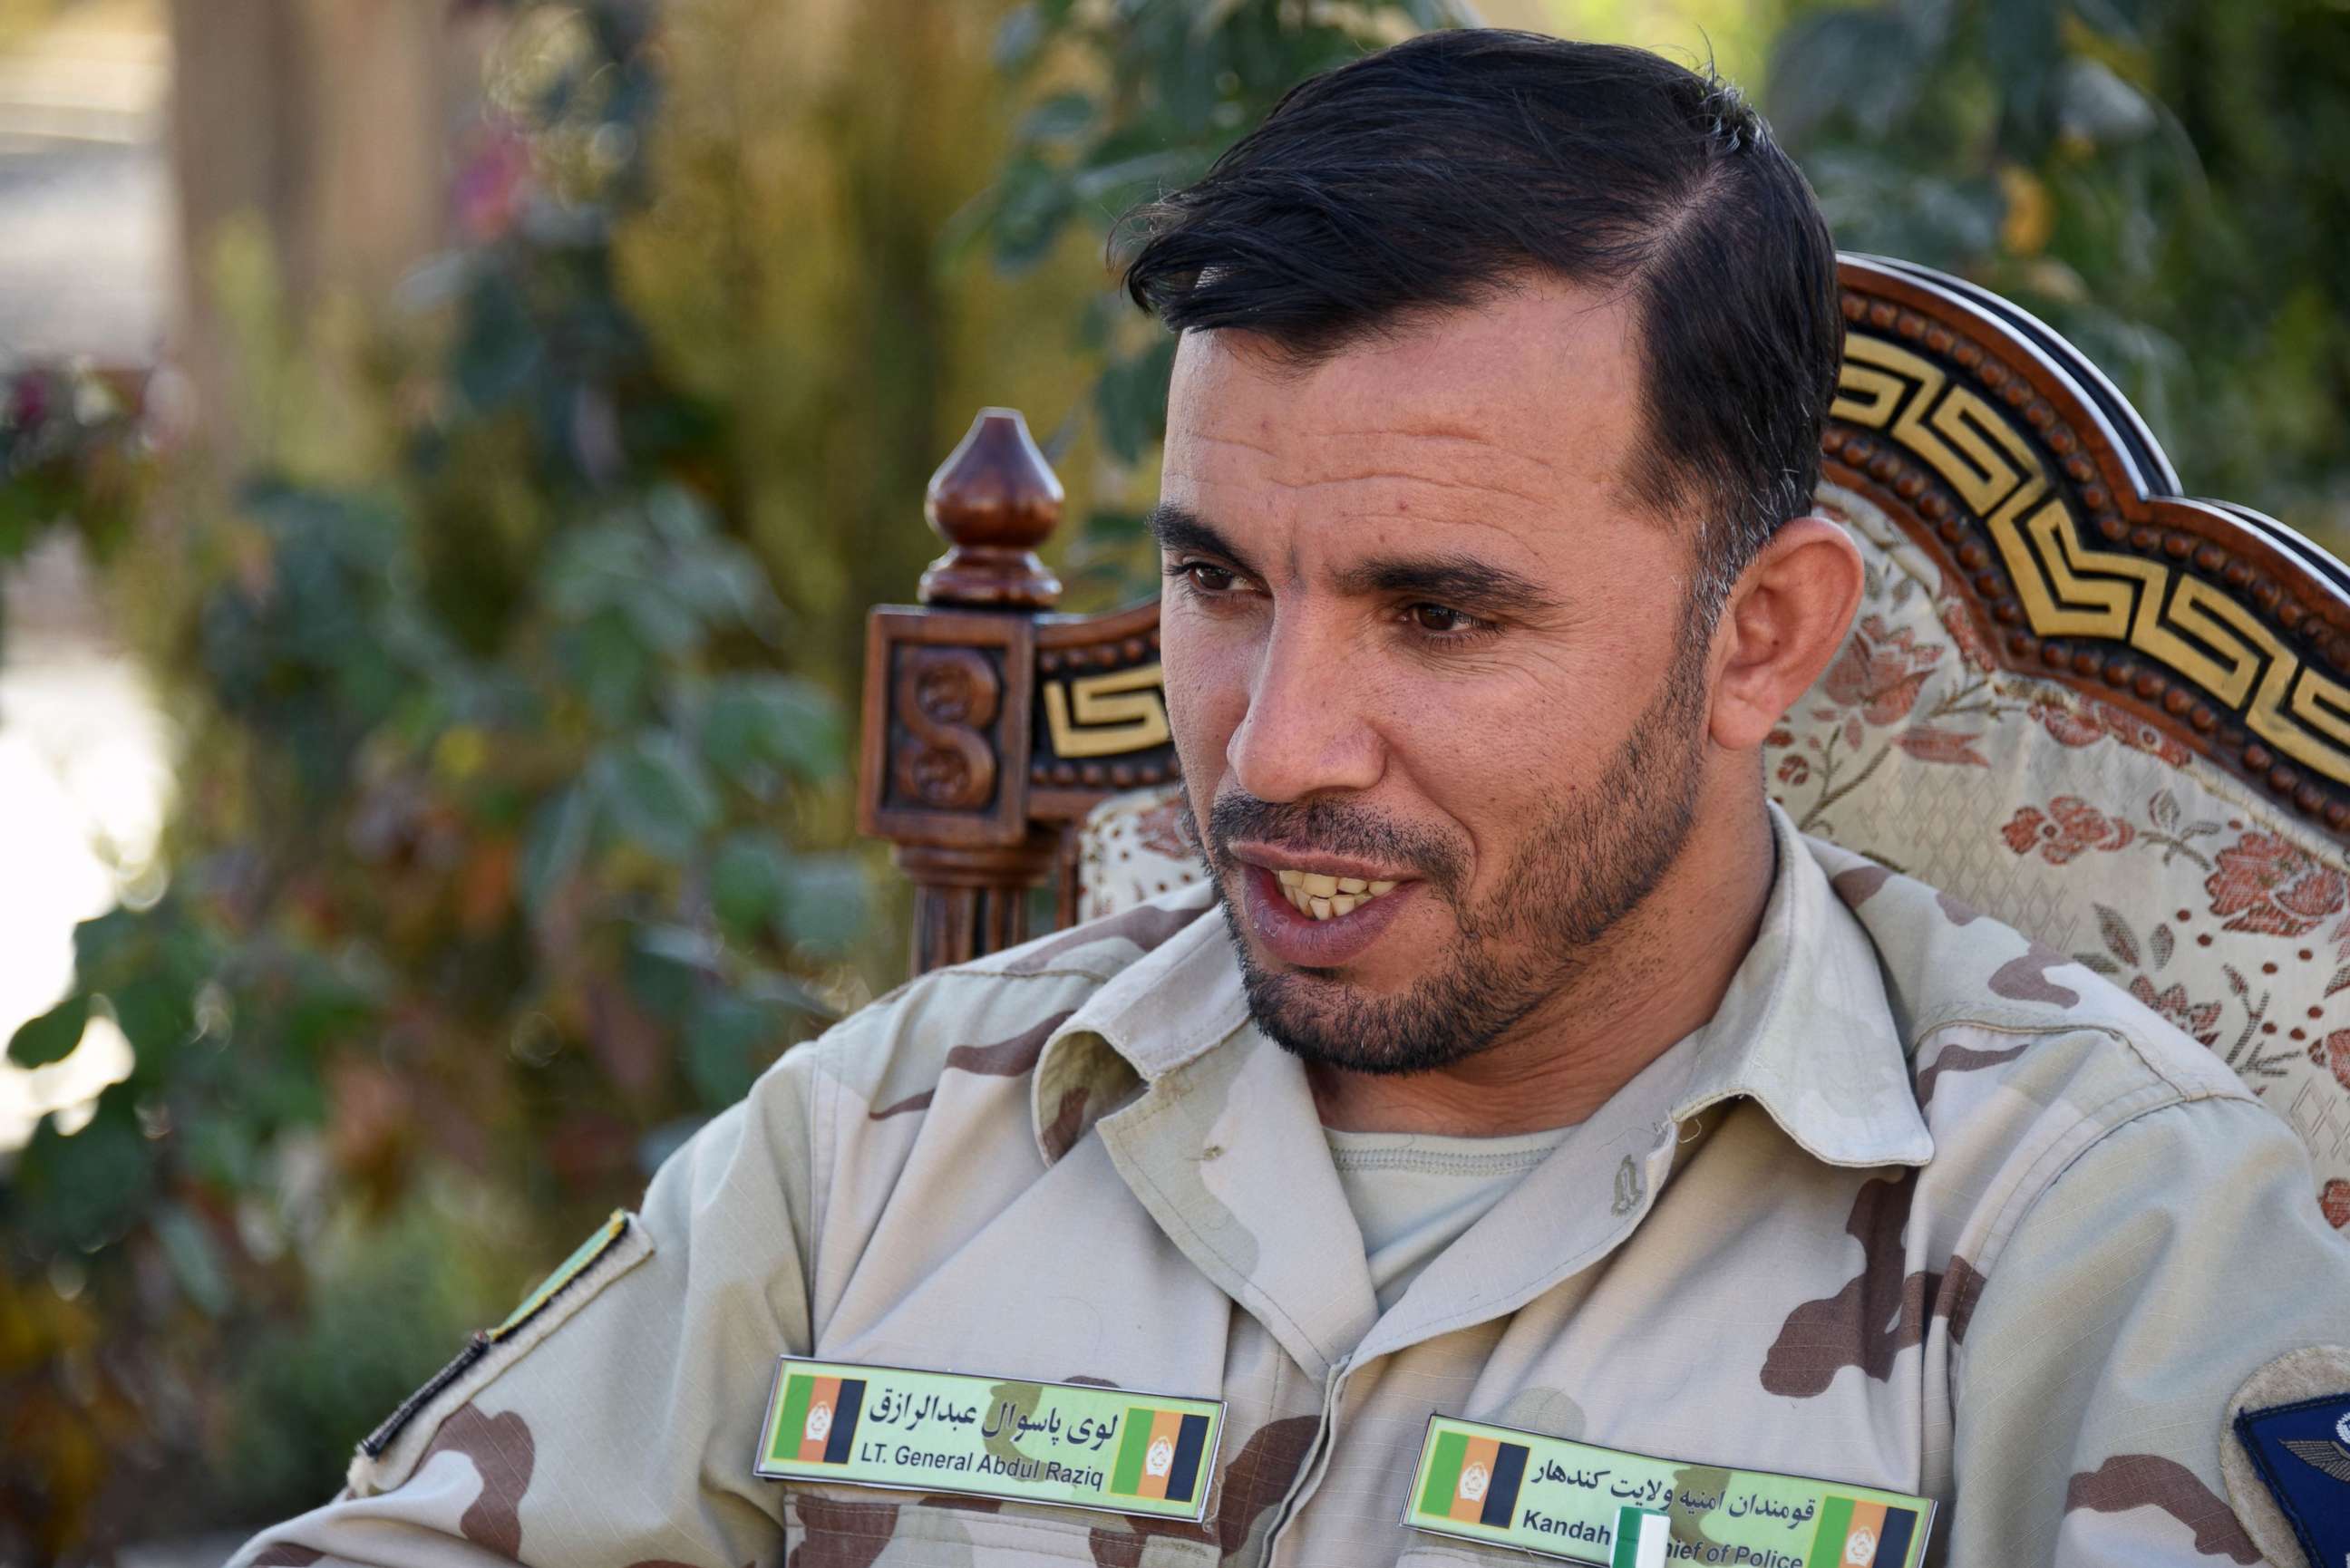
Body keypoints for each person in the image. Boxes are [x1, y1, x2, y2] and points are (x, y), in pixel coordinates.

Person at [230, 29, 2350, 1568]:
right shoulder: (902, 1137)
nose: (1272, 749)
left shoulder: (2110, 1250)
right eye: (1220, 582)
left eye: (1438, 615)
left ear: (1762, 637)